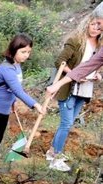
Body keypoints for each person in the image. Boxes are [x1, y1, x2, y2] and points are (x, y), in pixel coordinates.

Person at [0, 33, 45, 179]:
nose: (26, 55)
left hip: (4, 110)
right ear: (14, 49)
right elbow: (17, 89)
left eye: (28, 52)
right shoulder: (6, 68)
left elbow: (12, 90)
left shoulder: (17, 67)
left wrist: (13, 102)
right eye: (23, 52)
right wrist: (35, 105)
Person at [44, 15, 102, 172]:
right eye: (94, 24)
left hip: (85, 90)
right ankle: (55, 157)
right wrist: (75, 74)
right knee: (67, 123)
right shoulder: (76, 40)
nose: (97, 28)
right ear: (86, 24)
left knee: (67, 124)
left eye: (99, 25)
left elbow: (94, 65)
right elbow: (60, 62)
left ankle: (51, 151)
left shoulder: (100, 44)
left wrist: (96, 75)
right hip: (69, 88)